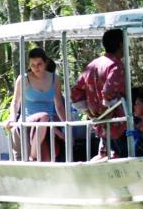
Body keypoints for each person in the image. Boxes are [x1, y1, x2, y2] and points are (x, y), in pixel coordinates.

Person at [70, 29, 128, 160]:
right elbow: (109, 92)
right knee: (121, 159)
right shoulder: (116, 66)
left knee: (105, 157)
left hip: (100, 125)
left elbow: (75, 92)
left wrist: (89, 111)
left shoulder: (93, 65)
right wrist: (107, 111)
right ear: (120, 44)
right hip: (117, 125)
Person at [8, 46, 67, 162]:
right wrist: (12, 119)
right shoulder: (23, 79)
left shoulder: (55, 79)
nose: (36, 68)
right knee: (43, 117)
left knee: (47, 158)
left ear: (46, 63)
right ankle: (32, 156)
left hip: (48, 125)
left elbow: (59, 105)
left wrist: (67, 125)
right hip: (29, 123)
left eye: (39, 64)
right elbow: (15, 102)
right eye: (32, 65)